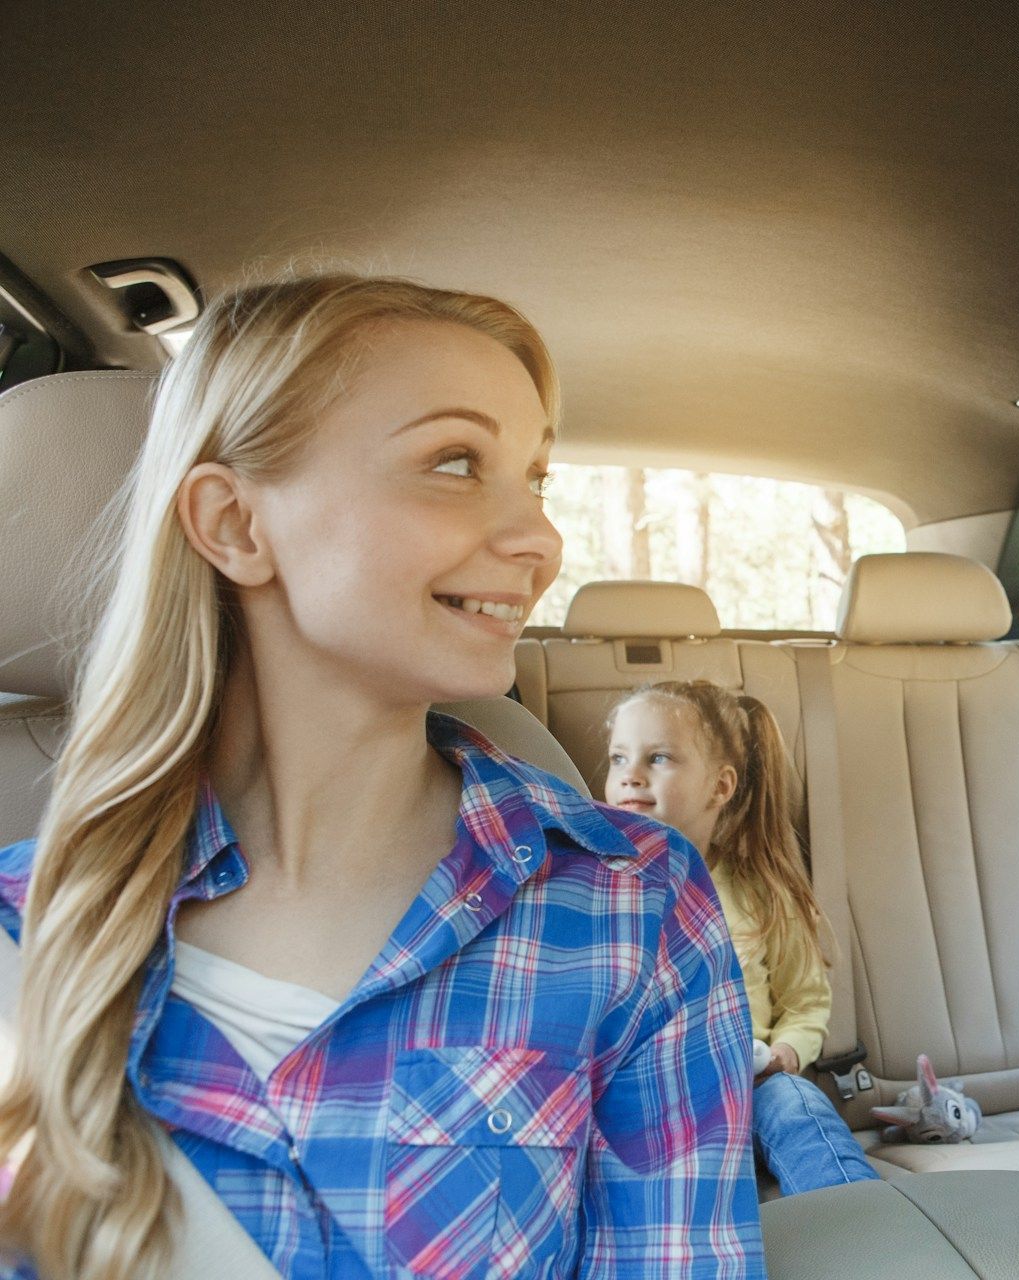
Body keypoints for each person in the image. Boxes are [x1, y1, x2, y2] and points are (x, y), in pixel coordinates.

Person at [0, 276, 761, 1280]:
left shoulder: (630, 902)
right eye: (455, 461)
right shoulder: (28, 933)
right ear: (234, 524)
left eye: (536, 478)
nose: (541, 539)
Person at [604, 681, 878, 1196]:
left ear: (720, 787)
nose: (630, 776)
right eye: (618, 758)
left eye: (658, 758)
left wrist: (785, 1055)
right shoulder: (594, 889)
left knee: (795, 1103)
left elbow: (805, 1001)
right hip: (645, 1105)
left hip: (747, 1092)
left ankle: (865, 1218)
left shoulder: (761, 894)